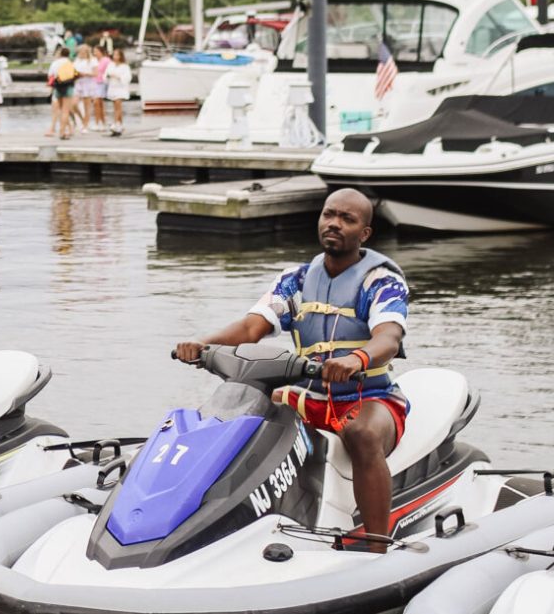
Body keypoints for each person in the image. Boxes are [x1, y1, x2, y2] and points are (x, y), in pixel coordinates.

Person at [173, 189, 408, 550]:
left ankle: (377, 543)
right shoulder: (295, 280)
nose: (334, 223)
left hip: (370, 397)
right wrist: (203, 345)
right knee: (243, 414)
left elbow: (388, 337)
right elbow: (252, 328)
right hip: (311, 395)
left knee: (362, 434)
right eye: (329, 214)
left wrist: (355, 360)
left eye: (347, 219)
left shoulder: (381, 281)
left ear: (364, 234)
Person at [45, 47, 77, 140]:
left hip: (58, 87)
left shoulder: (55, 63)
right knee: (65, 110)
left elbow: (50, 75)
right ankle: (62, 132)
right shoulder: (70, 63)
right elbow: (75, 75)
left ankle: (61, 129)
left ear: (60, 53)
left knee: (58, 109)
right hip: (68, 87)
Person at [72, 44, 104, 134]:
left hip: (88, 83)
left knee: (87, 106)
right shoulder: (77, 60)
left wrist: (85, 74)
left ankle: (85, 125)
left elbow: (96, 74)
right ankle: (82, 120)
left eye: (83, 51)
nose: (81, 52)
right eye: (80, 51)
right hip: (78, 83)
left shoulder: (92, 61)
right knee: (73, 104)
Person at [103, 47, 131, 136]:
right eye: (114, 54)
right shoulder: (111, 65)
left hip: (121, 88)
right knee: (116, 106)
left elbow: (127, 78)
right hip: (113, 87)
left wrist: (118, 76)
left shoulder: (125, 66)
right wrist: (108, 76)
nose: (115, 56)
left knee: (118, 105)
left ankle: (115, 124)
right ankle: (120, 125)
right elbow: (105, 75)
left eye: (117, 55)